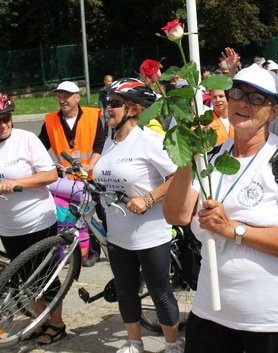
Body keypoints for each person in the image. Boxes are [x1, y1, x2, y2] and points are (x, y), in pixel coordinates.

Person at [163, 63, 278, 353]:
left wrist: (232, 229)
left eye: (257, 98)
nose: (243, 102)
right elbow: (176, 215)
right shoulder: (212, 155)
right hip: (212, 310)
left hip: (275, 320)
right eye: (238, 93)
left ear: (275, 111)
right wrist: (185, 157)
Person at [0, 92, 66, 345]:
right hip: (8, 225)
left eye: (7, 118)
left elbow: (50, 175)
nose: (4, 124)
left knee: (45, 276)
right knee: (26, 279)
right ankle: (40, 322)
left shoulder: (26, 139)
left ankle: (58, 325)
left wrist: (18, 182)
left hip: (38, 219)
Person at [92, 78, 181, 353]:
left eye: (115, 103)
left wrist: (149, 198)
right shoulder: (110, 140)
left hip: (150, 233)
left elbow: (179, 176)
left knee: (160, 293)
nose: (109, 107)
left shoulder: (149, 140)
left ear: (134, 109)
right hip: (118, 233)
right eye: (108, 101)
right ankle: (134, 343)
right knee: (126, 291)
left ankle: (172, 344)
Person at [38, 81, 106, 267]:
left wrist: (91, 165)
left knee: (104, 213)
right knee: (80, 217)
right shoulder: (51, 121)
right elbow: (40, 148)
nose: (62, 100)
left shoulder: (93, 116)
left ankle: (116, 247)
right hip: (69, 179)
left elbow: (100, 143)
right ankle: (91, 252)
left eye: (66, 96)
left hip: (92, 176)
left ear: (77, 97)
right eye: (59, 96)